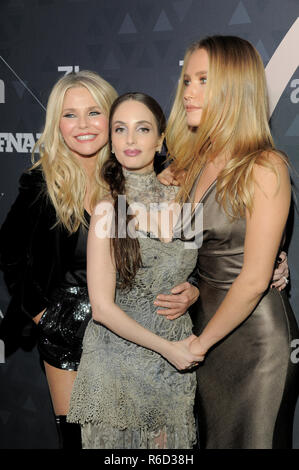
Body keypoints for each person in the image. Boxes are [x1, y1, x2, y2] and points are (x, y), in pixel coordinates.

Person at [155, 35, 299, 449]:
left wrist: (198, 345)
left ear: (236, 87)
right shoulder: (187, 163)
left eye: (203, 79)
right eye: (187, 80)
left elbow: (255, 279)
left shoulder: (265, 166)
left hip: (256, 346)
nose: (189, 92)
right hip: (201, 336)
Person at [67, 92, 203, 449]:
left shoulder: (185, 201)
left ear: (160, 139)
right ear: (110, 141)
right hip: (117, 372)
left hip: (171, 374)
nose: (130, 139)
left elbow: (200, 270)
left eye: (142, 129)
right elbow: (102, 308)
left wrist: (196, 290)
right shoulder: (106, 211)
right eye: (120, 129)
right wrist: (168, 349)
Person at [0, 70, 118, 448]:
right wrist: (43, 316)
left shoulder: (141, 175)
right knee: (79, 441)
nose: (82, 125)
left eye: (93, 112)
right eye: (70, 115)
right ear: (57, 124)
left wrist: (273, 258)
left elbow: (191, 234)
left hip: (133, 328)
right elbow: (10, 253)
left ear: (113, 117)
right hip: (66, 330)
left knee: (134, 443)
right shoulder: (42, 182)